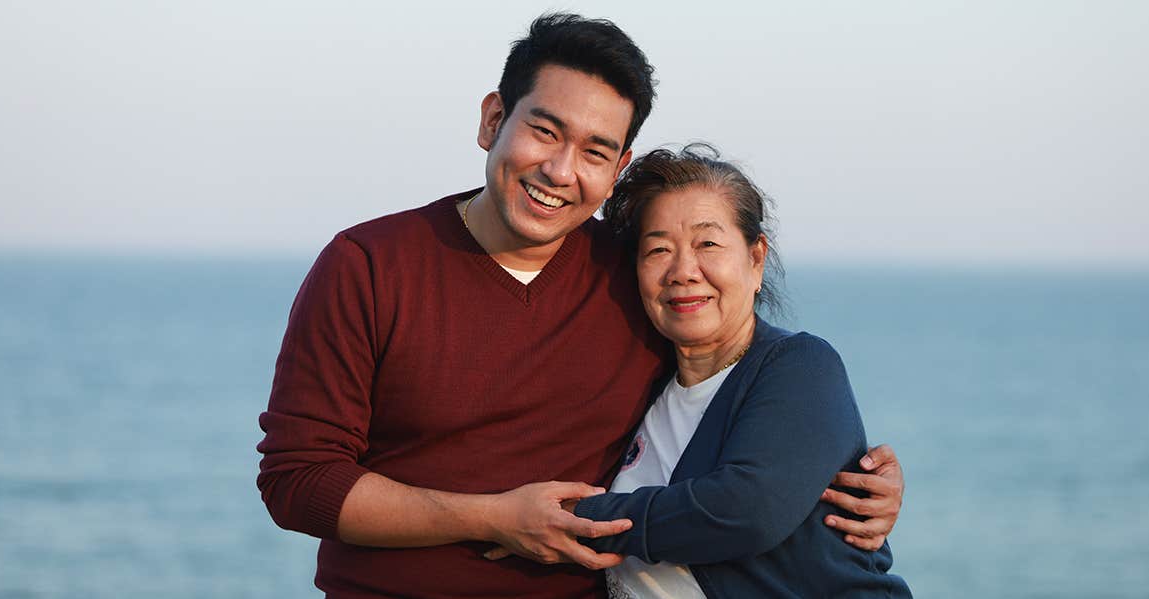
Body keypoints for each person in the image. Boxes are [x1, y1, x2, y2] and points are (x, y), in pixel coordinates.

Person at [256, 13, 904, 598]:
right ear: (492, 120)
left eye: (595, 151)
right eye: (544, 130)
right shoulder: (368, 265)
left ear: (618, 166)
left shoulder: (630, 275)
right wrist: (491, 516)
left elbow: (747, 388)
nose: (561, 171)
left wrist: (846, 472)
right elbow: (298, 480)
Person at [565, 144, 911, 597]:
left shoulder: (799, 365)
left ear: (755, 259)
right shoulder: (639, 384)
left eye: (707, 243)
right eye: (658, 250)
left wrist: (575, 520)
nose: (683, 271)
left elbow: (746, 510)